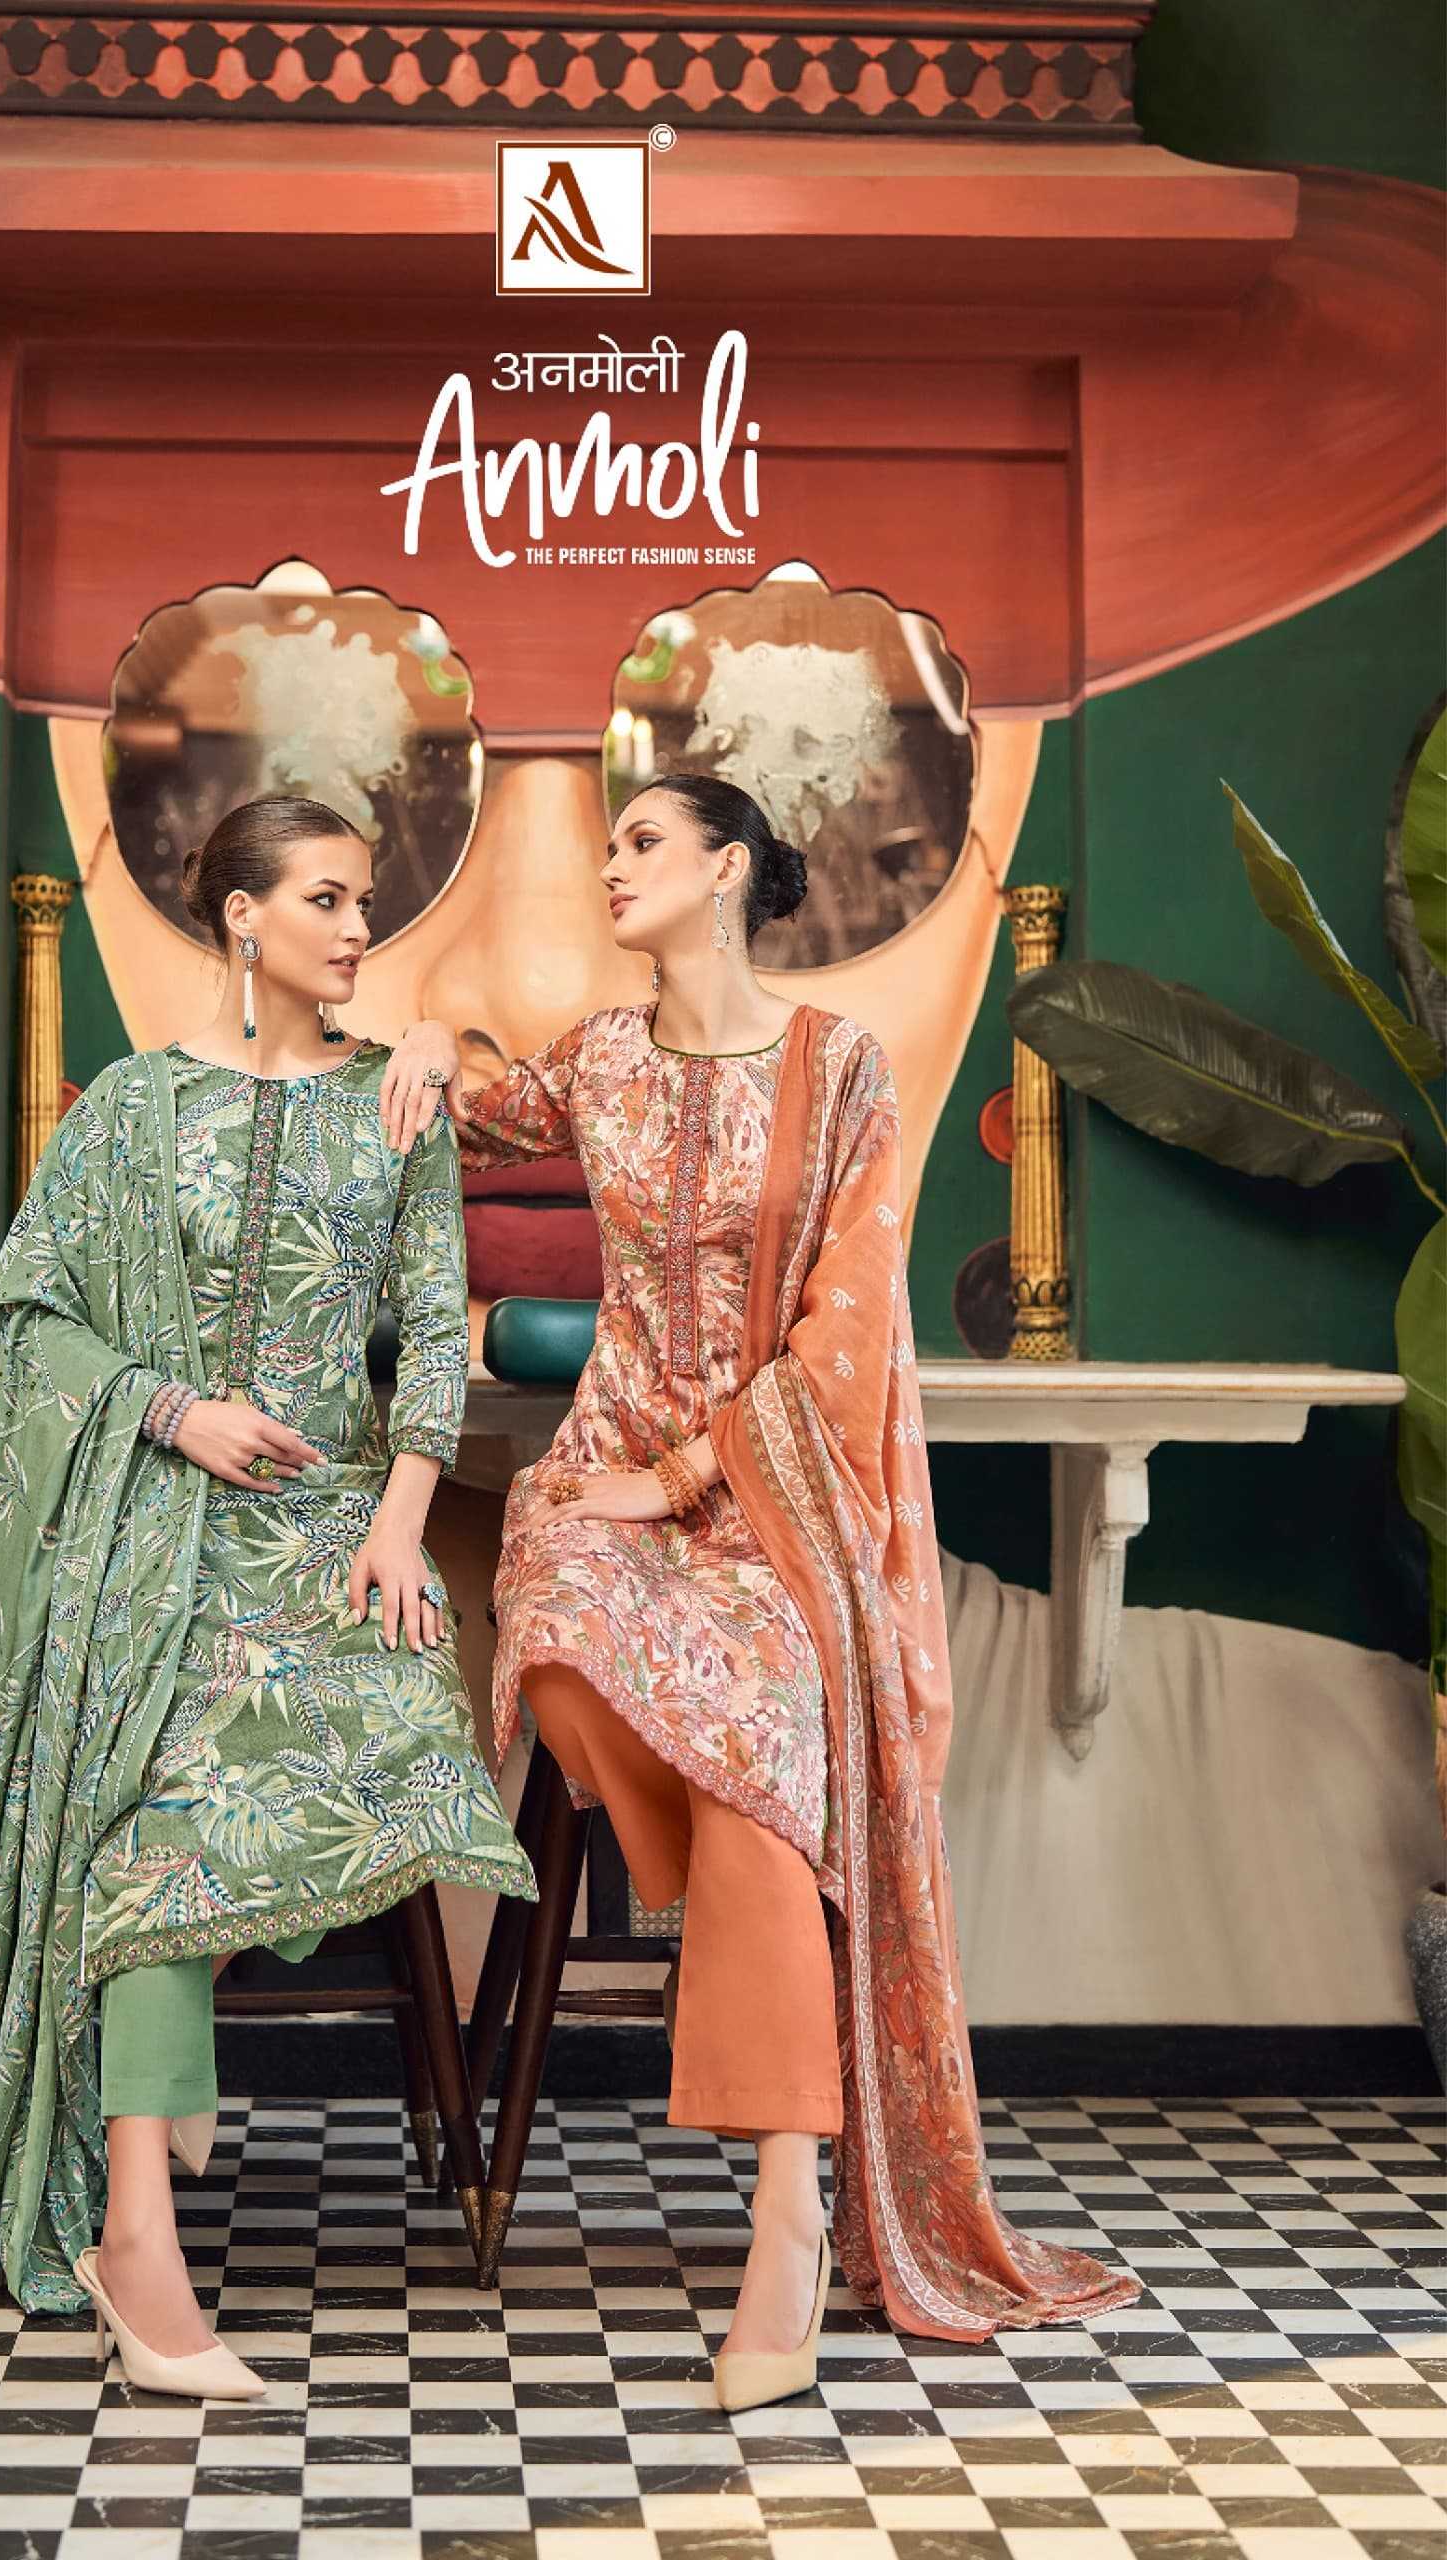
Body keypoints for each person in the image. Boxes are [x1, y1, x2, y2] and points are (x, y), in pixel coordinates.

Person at [382, 771, 1140, 2410]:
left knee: (759, 1749)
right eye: (610, 846)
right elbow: (459, 1127)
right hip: (600, 1479)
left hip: (771, 1503)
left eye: (643, 843)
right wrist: (430, 1041)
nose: (611, 867)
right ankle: (753, 1903)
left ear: (727, 870)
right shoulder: (597, 1058)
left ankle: (789, 2215)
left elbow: (851, 1326)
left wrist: (688, 1477)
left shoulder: (842, 1067)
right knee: (568, 1656)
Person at [0, 793, 536, 2400]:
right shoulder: (132, 1110)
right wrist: (170, 1409)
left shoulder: (396, 1103)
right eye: (327, 899)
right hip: (154, 1537)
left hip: (333, 1532)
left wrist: (401, 1525)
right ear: (241, 916)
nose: (358, 928)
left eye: (366, 902)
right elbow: (18, 1328)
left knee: (375, 1734)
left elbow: (432, 1336)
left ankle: (164, 2096)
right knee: (159, 1797)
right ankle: (138, 2231)